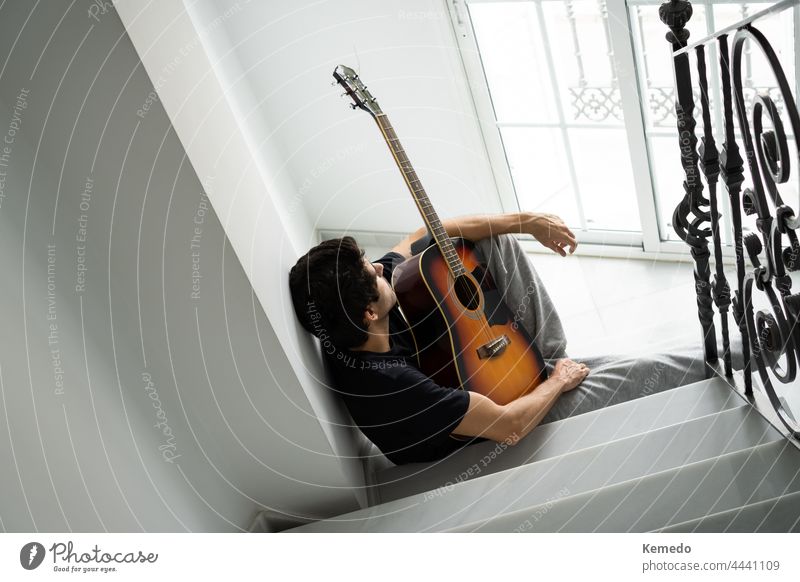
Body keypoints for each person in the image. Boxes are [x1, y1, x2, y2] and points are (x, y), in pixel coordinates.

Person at [289, 211, 716, 465]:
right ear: (368, 312)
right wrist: (557, 383)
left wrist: (529, 221)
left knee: (483, 242)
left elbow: (431, 231)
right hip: (481, 435)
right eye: (372, 273)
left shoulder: (352, 320)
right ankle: (741, 358)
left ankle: (548, 356)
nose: (381, 268)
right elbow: (509, 426)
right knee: (646, 372)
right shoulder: (392, 387)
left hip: (463, 379)